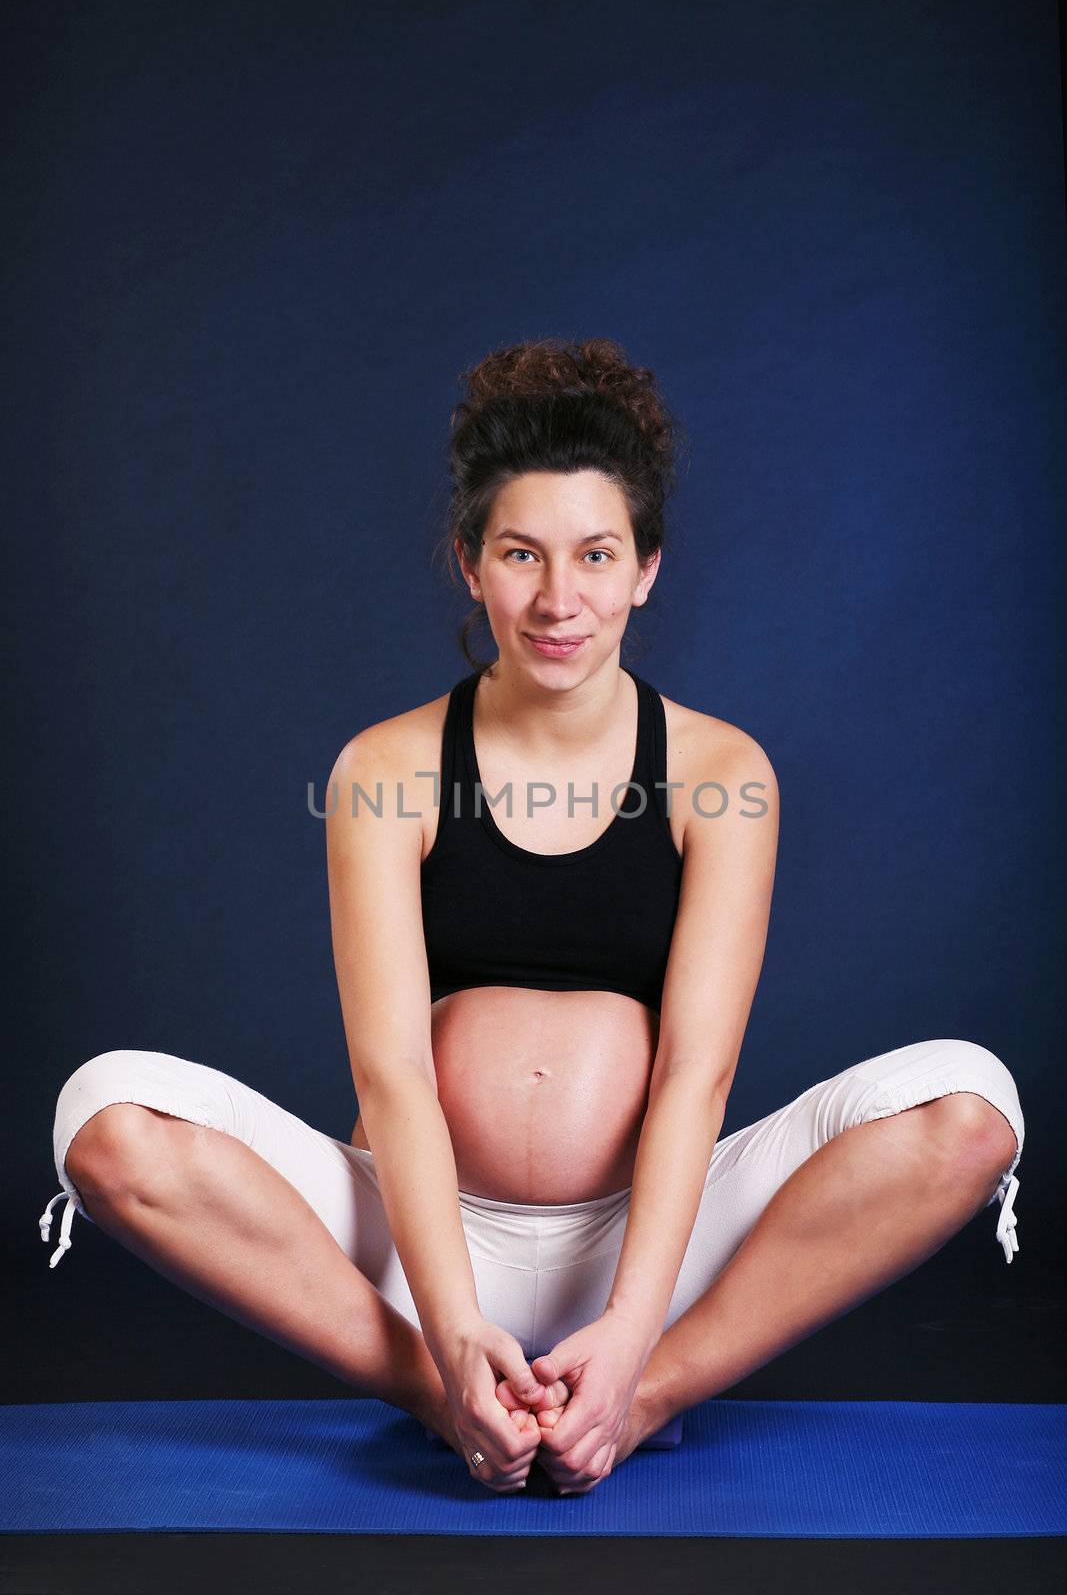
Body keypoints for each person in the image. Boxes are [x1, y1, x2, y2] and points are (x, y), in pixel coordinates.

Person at [41, 336, 1024, 1499]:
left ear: (646, 567)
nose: (558, 599)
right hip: (415, 1248)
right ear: (468, 563)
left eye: (595, 554)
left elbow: (693, 1080)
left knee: (969, 1105)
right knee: (103, 1114)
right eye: (521, 554)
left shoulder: (723, 771)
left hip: (652, 1246)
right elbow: (392, 1072)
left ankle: (640, 1389)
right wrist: (451, 1334)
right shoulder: (385, 768)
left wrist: (633, 1330)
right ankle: (437, 1389)